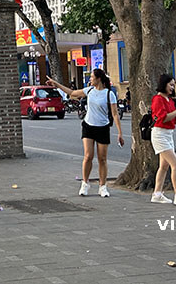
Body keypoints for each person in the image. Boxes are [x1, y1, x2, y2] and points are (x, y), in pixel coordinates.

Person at [46, 68, 124, 198]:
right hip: (88, 126)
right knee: (88, 156)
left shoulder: (109, 94)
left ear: (99, 79)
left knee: (102, 158)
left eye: (92, 77)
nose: (90, 79)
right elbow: (72, 92)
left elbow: (115, 114)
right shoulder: (89, 90)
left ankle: (102, 186)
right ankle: (85, 183)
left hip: (103, 127)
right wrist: (56, 84)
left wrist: (120, 132)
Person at [150, 73, 176, 207]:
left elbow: (173, 120)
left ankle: (157, 194)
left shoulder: (169, 100)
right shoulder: (158, 99)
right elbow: (163, 118)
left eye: (174, 85)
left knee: (164, 166)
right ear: (164, 84)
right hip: (160, 134)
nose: (172, 87)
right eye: (170, 84)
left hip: (168, 133)